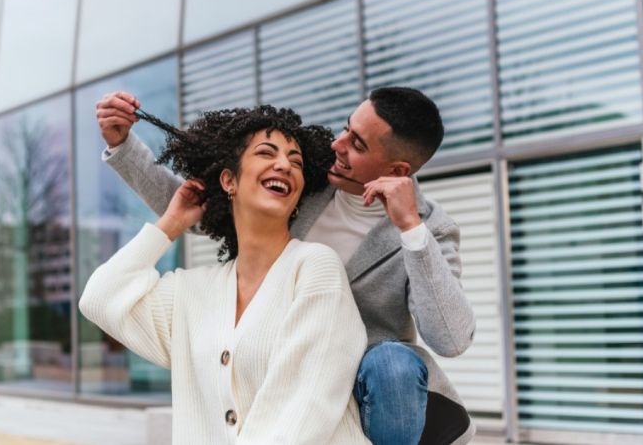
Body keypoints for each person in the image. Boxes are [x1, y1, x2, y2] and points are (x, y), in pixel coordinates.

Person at [96, 87, 476, 445]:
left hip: (363, 382)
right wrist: (123, 145)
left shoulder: (431, 229)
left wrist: (411, 228)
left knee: (393, 364)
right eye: (346, 128)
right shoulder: (308, 175)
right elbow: (205, 204)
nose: (337, 144)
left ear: (396, 171)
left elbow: (450, 338)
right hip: (273, 354)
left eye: (356, 144)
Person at [80, 105, 370, 444]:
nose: (284, 165)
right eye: (267, 152)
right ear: (229, 180)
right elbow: (99, 298)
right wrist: (170, 224)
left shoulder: (315, 268)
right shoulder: (191, 291)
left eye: (296, 162)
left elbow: (306, 405)